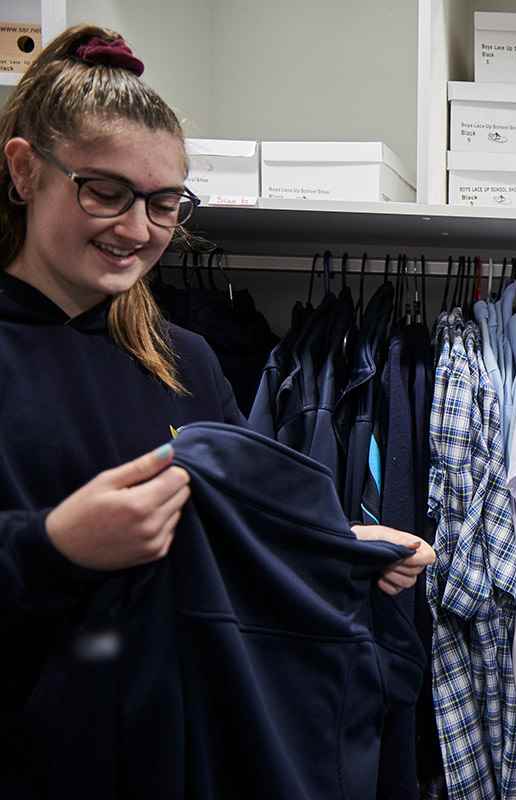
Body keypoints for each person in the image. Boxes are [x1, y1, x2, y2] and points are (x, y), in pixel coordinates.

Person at [0, 23, 434, 786]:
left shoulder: (186, 363)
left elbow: (245, 528)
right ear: (25, 170)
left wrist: (344, 546)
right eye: (106, 192)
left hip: (176, 758)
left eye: (165, 205)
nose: (136, 230)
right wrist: (53, 544)